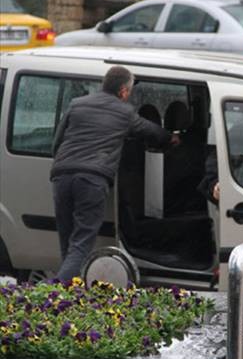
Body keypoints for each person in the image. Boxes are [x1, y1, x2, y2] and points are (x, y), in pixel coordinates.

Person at [51, 66, 171, 280]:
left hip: (61, 176)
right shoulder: (124, 112)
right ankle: (54, 294)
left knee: (68, 243)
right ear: (124, 91)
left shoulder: (77, 104)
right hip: (92, 179)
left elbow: (57, 143)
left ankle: (70, 295)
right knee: (80, 244)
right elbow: (149, 130)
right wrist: (170, 138)